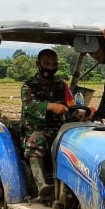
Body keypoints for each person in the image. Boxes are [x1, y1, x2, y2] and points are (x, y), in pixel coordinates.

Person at [20, 48, 74, 200]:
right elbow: (29, 106)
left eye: (54, 64)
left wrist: (80, 112)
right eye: (47, 63)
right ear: (38, 64)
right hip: (36, 129)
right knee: (36, 140)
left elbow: (70, 104)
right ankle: (41, 185)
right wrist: (50, 106)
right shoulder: (29, 85)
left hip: (60, 129)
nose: (50, 67)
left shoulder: (62, 85)